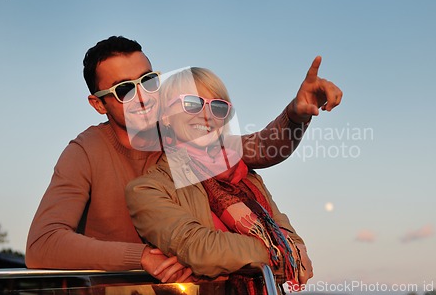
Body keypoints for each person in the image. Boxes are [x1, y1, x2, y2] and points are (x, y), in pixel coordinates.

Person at [25, 36, 342, 282]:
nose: (142, 96)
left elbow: (259, 148)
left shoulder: (181, 128)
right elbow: (43, 245)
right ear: (98, 104)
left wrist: (297, 113)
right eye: (124, 90)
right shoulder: (86, 152)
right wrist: (141, 258)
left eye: (147, 81)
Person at [125, 67, 313, 293]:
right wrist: (284, 251)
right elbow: (200, 249)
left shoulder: (246, 177)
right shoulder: (148, 188)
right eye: (192, 104)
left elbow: (287, 231)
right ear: (165, 115)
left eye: (218, 107)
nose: (207, 115)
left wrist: (286, 248)